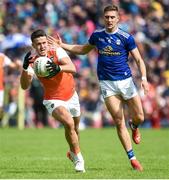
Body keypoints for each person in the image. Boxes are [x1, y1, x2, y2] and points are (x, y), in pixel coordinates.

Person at [49, 5, 149, 171]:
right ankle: (132, 158)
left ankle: (135, 126)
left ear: (118, 18)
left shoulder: (126, 37)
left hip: (126, 82)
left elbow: (139, 60)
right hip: (107, 83)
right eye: (107, 17)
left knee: (139, 117)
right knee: (118, 121)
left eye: (112, 17)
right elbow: (82, 49)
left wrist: (144, 79)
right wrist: (62, 45)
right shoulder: (97, 35)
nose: (109, 20)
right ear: (104, 18)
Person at [20, 29, 85, 173]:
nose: (42, 46)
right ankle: (79, 159)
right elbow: (24, 86)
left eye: (44, 43)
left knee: (75, 128)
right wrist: (24, 68)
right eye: (38, 44)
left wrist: (58, 68)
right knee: (68, 123)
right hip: (53, 99)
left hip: (71, 94)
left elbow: (72, 68)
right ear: (33, 45)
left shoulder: (57, 51)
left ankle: (72, 152)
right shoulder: (32, 62)